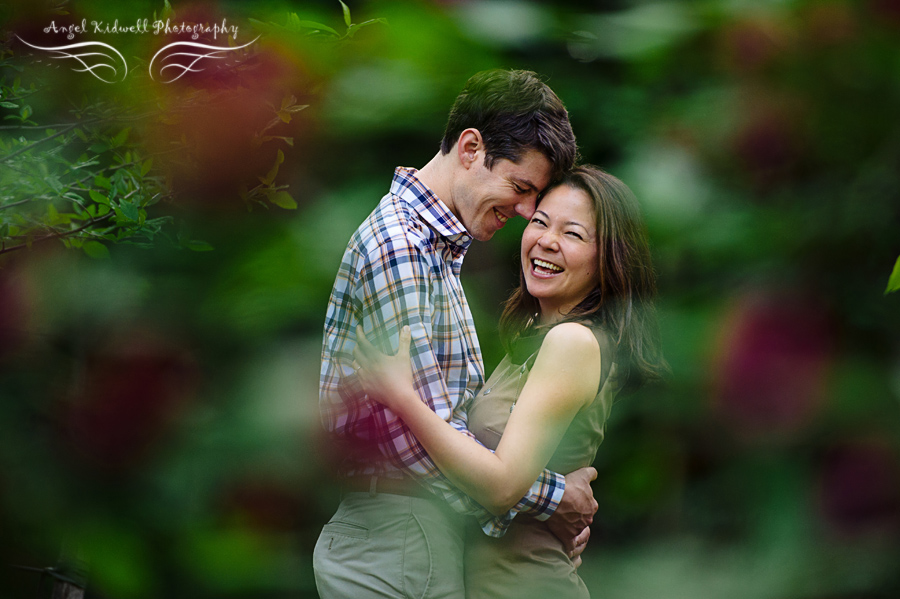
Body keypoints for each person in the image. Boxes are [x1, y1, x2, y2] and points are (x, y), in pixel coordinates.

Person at [314, 69, 597, 599]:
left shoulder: (436, 251)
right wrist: (551, 500)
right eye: (520, 188)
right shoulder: (401, 247)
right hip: (398, 531)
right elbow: (419, 437)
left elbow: (445, 419)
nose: (526, 213)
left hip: (417, 533)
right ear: (470, 148)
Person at [354, 165, 668, 598]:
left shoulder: (572, 342)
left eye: (573, 234)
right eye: (540, 222)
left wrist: (402, 399)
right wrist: (558, 500)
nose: (546, 241)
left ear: (607, 260)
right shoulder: (533, 342)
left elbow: (502, 487)